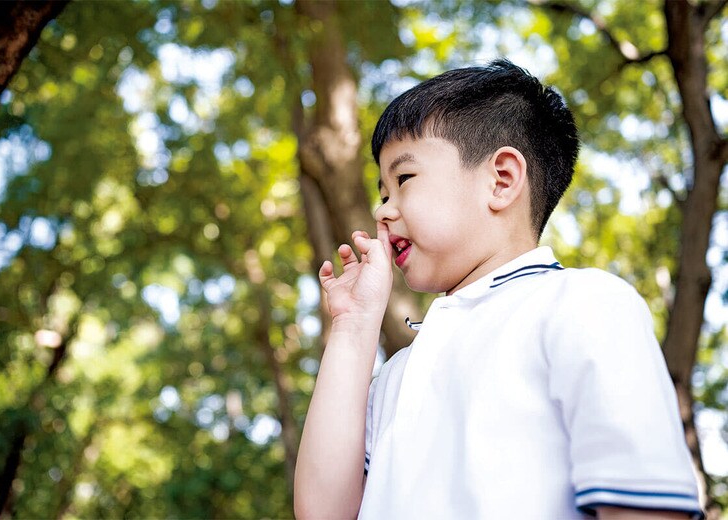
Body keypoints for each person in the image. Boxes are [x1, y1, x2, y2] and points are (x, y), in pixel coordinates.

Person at [293, 59, 702, 520]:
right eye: (382, 192)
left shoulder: (583, 305)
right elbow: (323, 512)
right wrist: (352, 326)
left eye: (403, 179)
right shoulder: (397, 373)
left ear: (502, 180)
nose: (382, 210)